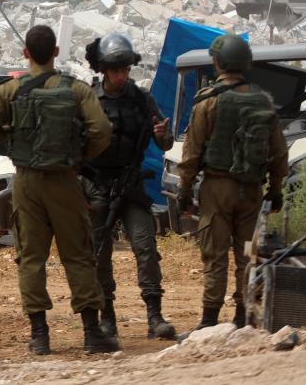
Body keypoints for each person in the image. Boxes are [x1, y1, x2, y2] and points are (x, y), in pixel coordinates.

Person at [0, 24, 119, 355]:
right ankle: (92, 333)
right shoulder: (77, 90)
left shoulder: (8, 91)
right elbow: (102, 130)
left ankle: (40, 335)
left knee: (31, 258)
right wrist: (79, 156)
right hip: (65, 180)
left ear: (25, 53)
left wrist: (9, 135)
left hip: (27, 181)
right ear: (55, 53)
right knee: (78, 254)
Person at [176, 34, 288, 330]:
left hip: (217, 189)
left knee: (215, 254)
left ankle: (209, 321)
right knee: (247, 254)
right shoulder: (263, 101)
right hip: (252, 190)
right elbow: (279, 152)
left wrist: (184, 189)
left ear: (217, 62)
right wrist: (276, 190)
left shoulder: (207, 101)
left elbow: (191, 153)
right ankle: (243, 317)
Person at [83, 33, 176, 340]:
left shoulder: (141, 99)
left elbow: (165, 141)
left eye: (126, 69)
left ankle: (154, 315)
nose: (122, 76)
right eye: (116, 70)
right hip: (98, 186)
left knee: (146, 248)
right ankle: (107, 316)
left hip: (131, 185)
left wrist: (163, 134)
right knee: (99, 254)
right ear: (104, 70)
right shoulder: (89, 100)